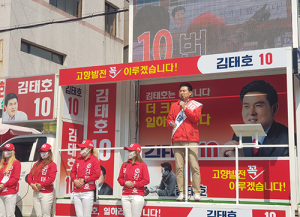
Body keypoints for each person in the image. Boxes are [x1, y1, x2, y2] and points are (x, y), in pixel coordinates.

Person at [220, 80, 289, 157]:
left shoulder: (288, 139)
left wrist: (242, 162)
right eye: (246, 106)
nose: (251, 112)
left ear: (274, 109)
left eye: (258, 105)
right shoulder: (239, 136)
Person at [167, 82, 202, 201]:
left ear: (190, 92)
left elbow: (195, 118)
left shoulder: (195, 105)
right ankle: (181, 192)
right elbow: (169, 119)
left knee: (194, 166)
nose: (182, 93)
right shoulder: (174, 105)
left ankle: (196, 192)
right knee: (179, 167)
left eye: (184, 91)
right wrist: (170, 123)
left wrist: (185, 108)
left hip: (191, 140)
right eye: (180, 91)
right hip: (177, 139)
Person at [118, 143, 150, 217]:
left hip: (137, 195)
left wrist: (134, 184)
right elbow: (120, 179)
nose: (128, 152)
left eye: (130, 150)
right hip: (125, 195)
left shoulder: (142, 165)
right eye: (128, 150)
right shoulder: (124, 165)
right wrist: (125, 183)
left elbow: (146, 180)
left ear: (136, 152)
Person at [71, 140, 100, 217]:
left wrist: (85, 180)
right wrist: (75, 180)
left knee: (86, 215)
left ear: (89, 149)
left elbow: (97, 175)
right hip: (77, 191)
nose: (81, 150)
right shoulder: (78, 160)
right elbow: (72, 173)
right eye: (81, 148)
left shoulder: (95, 160)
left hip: (87, 191)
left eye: (83, 148)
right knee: (79, 215)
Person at [27, 143, 57, 217]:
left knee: (46, 214)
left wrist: (41, 185)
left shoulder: (52, 164)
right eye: (41, 151)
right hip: (36, 192)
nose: (42, 153)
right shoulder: (36, 164)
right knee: (38, 215)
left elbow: (52, 178)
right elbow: (30, 176)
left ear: (49, 153)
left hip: (46, 193)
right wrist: (31, 184)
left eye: (44, 151)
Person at [0, 143, 21, 217]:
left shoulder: (16, 163)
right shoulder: (1, 164)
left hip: (10, 193)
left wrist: (4, 185)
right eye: (4, 150)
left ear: (12, 152)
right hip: (1, 193)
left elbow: (15, 179)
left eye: (8, 150)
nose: (5, 152)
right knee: (1, 215)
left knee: (10, 215)